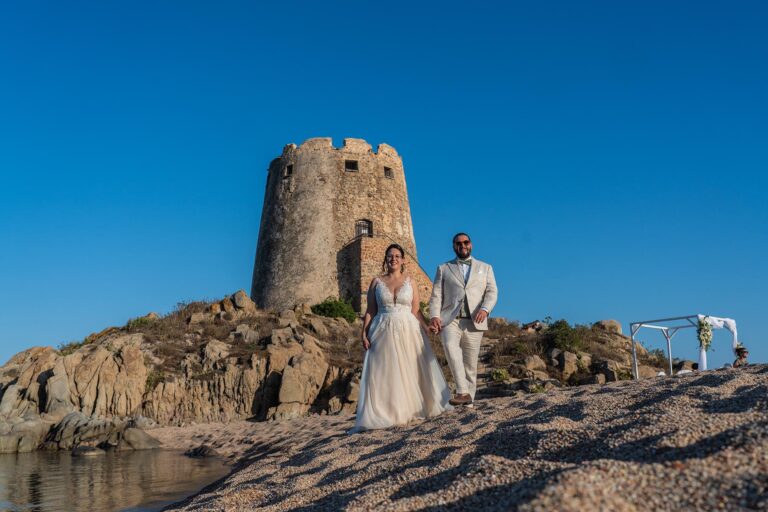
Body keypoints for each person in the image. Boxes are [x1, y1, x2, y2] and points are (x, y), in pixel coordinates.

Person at [352, 244, 453, 431]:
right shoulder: (376, 282)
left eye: (397, 256)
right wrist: (363, 332)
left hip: (408, 329)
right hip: (382, 328)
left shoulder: (411, 281)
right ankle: (390, 412)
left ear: (403, 260)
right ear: (385, 259)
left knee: (410, 369)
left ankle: (412, 410)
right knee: (385, 371)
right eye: (390, 256)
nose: (394, 259)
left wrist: (427, 327)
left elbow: (415, 310)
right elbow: (370, 311)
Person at [429, 233, 498, 407]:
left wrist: (485, 309)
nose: (462, 245)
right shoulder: (443, 268)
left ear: (471, 245)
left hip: (475, 320)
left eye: (466, 242)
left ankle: (468, 405)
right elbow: (437, 294)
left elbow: (492, 292)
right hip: (450, 319)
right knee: (451, 349)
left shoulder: (486, 267)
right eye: (458, 243)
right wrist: (435, 316)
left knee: (470, 365)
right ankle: (462, 391)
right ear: (454, 246)